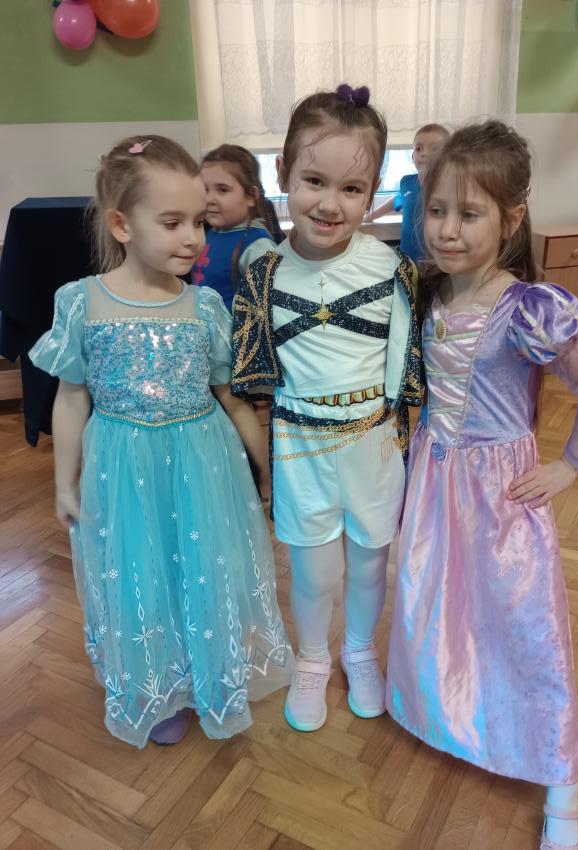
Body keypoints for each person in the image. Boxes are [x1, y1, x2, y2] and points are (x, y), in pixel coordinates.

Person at [386, 120, 578, 850]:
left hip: (500, 491)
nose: (447, 229)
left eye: (469, 213)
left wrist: (570, 466)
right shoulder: (427, 291)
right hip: (435, 479)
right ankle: (447, 713)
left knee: (523, 622)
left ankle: (562, 783)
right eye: (436, 210)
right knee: (439, 598)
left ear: (511, 220)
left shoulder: (528, 310)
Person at [29, 135, 292, 748]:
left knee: (203, 570)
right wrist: (64, 482)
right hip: (123, 467)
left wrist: (266, 472)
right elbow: (70, 398)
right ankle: (158, 684)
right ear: (122, 225)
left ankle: (210, 676)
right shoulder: (82, 302)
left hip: (202, 463)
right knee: (141, 576)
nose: (193, 238)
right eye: (172, 223)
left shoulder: (205, 307)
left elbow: (232, 398)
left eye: (199, 221)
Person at [231, 84, 423, 733]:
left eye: (351, 188)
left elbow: (407, 368)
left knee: (370, 565)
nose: (330, 203)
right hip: (301, 449)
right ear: (282, 174)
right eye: (314, 181)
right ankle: (313, 657)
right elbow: (252, 379)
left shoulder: (392, 269)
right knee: (315, 573)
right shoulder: (262, 276)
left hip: (374, 447)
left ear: (371, 194)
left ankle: (359, 650)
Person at [191, 144, 282, 311]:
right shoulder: (209, 233)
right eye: (205, 189)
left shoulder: (257, 246)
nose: (209, 199)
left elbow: (271, 307)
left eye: (222, 190)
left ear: (251, 196)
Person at [365, 123, 449, 262]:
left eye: (434, 149)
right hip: (407, 259)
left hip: (436, 261)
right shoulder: (407, 182)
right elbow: (396, 201)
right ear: (412, 156)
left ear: (448, 156)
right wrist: (370, 217)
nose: (425, 153)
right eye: (419, 149)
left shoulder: (450, 187)